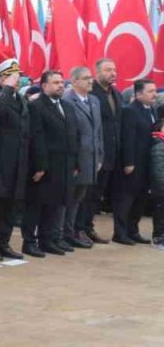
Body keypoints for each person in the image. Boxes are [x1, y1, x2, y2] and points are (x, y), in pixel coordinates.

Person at [22, 70, 78, 256]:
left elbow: (73, 136)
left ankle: (49, 239)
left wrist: (76, 162)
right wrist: (40, 166)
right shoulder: (36, 106)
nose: (60, 85)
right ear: (44, 86)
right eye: (55, 82)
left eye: (62, 82)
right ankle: (29, 242)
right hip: (45, 166)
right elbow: (37, 138)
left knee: (55, 205)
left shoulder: (67, 106)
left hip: (65, 165)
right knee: (37, 205)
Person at [0, 60, 29, 260]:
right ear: (2, 78)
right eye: (13, 77)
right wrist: (7, 88)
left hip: (18, 160)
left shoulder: (20, 99)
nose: (18, 80)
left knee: (12, 204)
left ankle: (5, 242)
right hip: (1, 160)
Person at [63, 66, 103, 249]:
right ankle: (66, 233)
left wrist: (100, 155)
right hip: (75, 159)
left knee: (81, 197)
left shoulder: (94, 100)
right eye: (86, 78)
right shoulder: (67, 100)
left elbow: (98, 131)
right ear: (74, 81)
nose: (90, 81)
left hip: (92, 157)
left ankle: (76, 230)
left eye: (91, 78)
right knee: (69, 198)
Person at [113, 78, 156, 245]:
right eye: (150, 91)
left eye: (154, 91)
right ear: (138, 94)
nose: (154, 94)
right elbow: (128, 138)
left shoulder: (150, 110)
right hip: (133, 163)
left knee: (140, 198)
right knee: (126, 199)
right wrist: (128, 162)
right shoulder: (131, 111)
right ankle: (120, 232)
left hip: (147, 163)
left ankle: (133, 230)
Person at [84, 59, 120, 243]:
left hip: (111, 154)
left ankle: (88, 227)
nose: (112, 73)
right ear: (97, 72)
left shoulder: (116, 94)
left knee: (97, 195)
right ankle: (80, 229)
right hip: (94, 153)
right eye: (108, 70)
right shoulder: (93, 94)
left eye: (114, 70)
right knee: (87, 195)